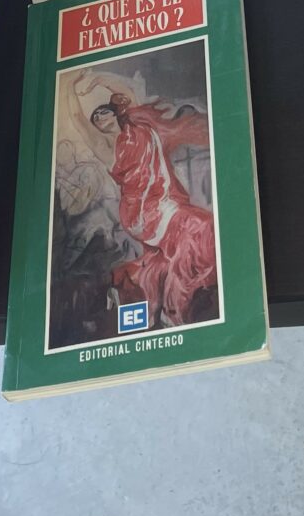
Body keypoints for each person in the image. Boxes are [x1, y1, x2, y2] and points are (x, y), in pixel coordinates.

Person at [69, 70, 218, 330]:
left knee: (170, 256)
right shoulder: (107, 148)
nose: (99, 119)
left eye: (102, 112)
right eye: (95, 119)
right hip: (143, 211)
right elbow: (78, 120)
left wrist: (96, 78)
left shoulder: (140, 129)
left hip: (164, 200)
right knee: (199, 227)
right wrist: (71, 90)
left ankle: (138, 289)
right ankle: (173, 310)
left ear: (114, 113)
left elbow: (125, 93)